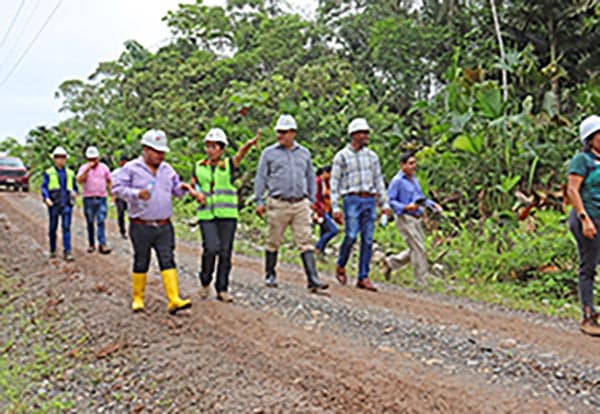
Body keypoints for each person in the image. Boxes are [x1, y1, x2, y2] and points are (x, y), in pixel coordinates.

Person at [112, 129, 201, 314]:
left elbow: (176, 189)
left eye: (163, 152)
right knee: (141, 259)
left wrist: (185, 188)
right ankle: (138, 298)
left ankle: (174, 298)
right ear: (146, 149)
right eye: (157, 152)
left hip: (164, 224)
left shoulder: (167, 169)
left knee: (167, 258)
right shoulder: (131, 168)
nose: (161, 155)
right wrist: (136, 194)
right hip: (140, 224)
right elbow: (117, 188)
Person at [254, 114, 328, 292]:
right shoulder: (269, 153)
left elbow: (310, 177)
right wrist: (259, 200)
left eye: (284, 132)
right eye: (278, 132)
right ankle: (270, 274)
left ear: (293, 133)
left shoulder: (304, 153)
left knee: (305, 240)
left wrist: (311, 200)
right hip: (278, 202)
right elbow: (261, 177)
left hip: (300, 203)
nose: (280, 136)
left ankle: (312, 279)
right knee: (274, 240)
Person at [191, 128, 260, 302]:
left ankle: (222, 288)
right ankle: (205, 281)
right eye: (208, 146)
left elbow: (240, 155)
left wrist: (249, 145)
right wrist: (196, 194)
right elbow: (192, 185)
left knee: (225, 252)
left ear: (221, 149)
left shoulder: (228, 165)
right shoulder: (199, 166)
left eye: (214, 146)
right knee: (211, 248)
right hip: (206, 214)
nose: (210, 150)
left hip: (227, 214)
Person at [330, 117, 390, 292]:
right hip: (351, 199)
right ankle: (341, 264)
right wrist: (335, 207)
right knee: (350, 235)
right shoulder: (341, 157)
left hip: (369, 199)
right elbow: (334, 183)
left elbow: (379, 181)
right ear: (353, 135)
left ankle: (363, 276)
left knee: (368, 239)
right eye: (362, 133)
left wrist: (384, 203)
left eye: (367, 133)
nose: (366, 136)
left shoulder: (372, 157)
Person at [384, 151, 442, 286]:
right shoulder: (397, 181)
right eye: (410, 163)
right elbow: (390, 200)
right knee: (418, 248)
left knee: (416, 248)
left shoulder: (414, 179)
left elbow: (420, 198)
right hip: (405, 217)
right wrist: (405, 207)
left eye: (414, 163)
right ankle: (421, 280)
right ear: (402, 165)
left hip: (417, 217)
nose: (413, 166)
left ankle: (391, 262)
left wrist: (433, 205)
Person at [567, 114, 600, 336]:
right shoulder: (582, 160)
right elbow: (572, 190)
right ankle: (587, 316)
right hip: (587, 217)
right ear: (591, 138)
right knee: (588, 267)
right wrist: (584, 218)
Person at [41, 146, 78, 261]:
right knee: (53, 228)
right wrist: (46, 198)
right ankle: (52, 250)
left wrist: (75, 193)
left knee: (66, 228)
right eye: (58, 157)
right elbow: (44, 187)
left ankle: (67, 251)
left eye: (63, 157)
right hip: (54, 204)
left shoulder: (70, 173)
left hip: (66, 204)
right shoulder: (49, 173)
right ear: (54, 159)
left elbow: (75, 188)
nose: (60, 160)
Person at [77, 146, 113, 254]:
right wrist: (87, 169)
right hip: (88, 198)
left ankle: (102, 244)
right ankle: (91, 244)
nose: (92, 161)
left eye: (94, 159)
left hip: (101, 198)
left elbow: (109, 181)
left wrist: (112, 194)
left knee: (101, 221)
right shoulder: (83, 168)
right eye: (90, 159)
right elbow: (79, 180)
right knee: (90, 222)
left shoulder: (104, 168)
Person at [314, 165, 339, 256]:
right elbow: (316, 197)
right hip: (321, 210)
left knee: (324, 231)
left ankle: (321, 252)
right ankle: (318, 246)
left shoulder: (327, 183)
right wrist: (317, 211)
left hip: (327, 209)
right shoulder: (318, 182)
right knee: (333, 230)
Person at [112, 154, 130, 239]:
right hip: (119, 196)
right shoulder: (116, 173)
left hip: (130, 196)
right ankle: (122, 231)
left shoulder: (132, 172)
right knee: (121, 214)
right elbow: (112, 184)